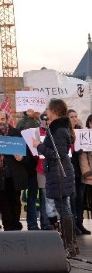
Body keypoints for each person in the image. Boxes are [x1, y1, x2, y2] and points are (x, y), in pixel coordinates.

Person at [33, 99, 79, 257]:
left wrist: (39, 145)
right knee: (65, 208)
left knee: (64, 209)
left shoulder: (57, 130)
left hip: (59, 172)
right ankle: (71, 243)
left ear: (54, 111)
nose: (46, 111)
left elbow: (56, 155)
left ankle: (70, 244)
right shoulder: (59, 127)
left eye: (48, 108)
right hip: (59, 171)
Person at [0, 111, 28, 231]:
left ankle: (15, 224)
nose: (0, 122)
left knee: (15, 201)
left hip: (14, 175)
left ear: (7, 119)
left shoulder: (17, 134)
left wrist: (22, 157)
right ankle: (8, 226)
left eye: (2, 119)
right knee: (3, 202)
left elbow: (27, 154)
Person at [16, 109, 42, 230]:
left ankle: (37, 222)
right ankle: (29, 223)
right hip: (24, 164)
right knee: (27, 197)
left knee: (35, 196)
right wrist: (30, 118)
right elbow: (22, 133)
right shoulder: (21, 123)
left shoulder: (39, 122)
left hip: (36, 164)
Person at [68, 109, 90, 235]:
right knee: (72, 198)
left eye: (76, 116)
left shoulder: (81, 131)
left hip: (80, 171)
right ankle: (72, 225)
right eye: (71, 116)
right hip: (69, 170)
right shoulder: (65, 131)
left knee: (80, 198)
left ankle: (80, 223)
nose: (74, 119)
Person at [78, 114, 92, 235]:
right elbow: (83, 157)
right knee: (86, 201)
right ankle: (80, 223)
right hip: (89, 175)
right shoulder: (85, 135)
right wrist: (87, 172)